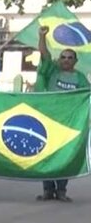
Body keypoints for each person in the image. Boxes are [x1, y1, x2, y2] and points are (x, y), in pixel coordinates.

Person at [34, 25, 89, 202]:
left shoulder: (80, 78)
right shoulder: (51, 71)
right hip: (48, 120)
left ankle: (62, 190)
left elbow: (86, 99)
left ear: (75, 61)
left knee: (64, 157)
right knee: (47, 156)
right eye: (63, 57)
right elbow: (44, 54)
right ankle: (47, 190)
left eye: (69, 57)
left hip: (68, 124)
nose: (66, 60)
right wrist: (42, 36)